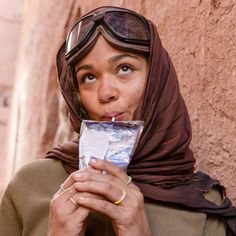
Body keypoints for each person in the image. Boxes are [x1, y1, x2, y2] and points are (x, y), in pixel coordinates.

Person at [0, 5, 235, 236]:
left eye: (124, 68)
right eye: (88, 77)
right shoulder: (29, 186)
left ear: (156, 82)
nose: (105, 92)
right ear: (76, 97)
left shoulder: (202, 203)